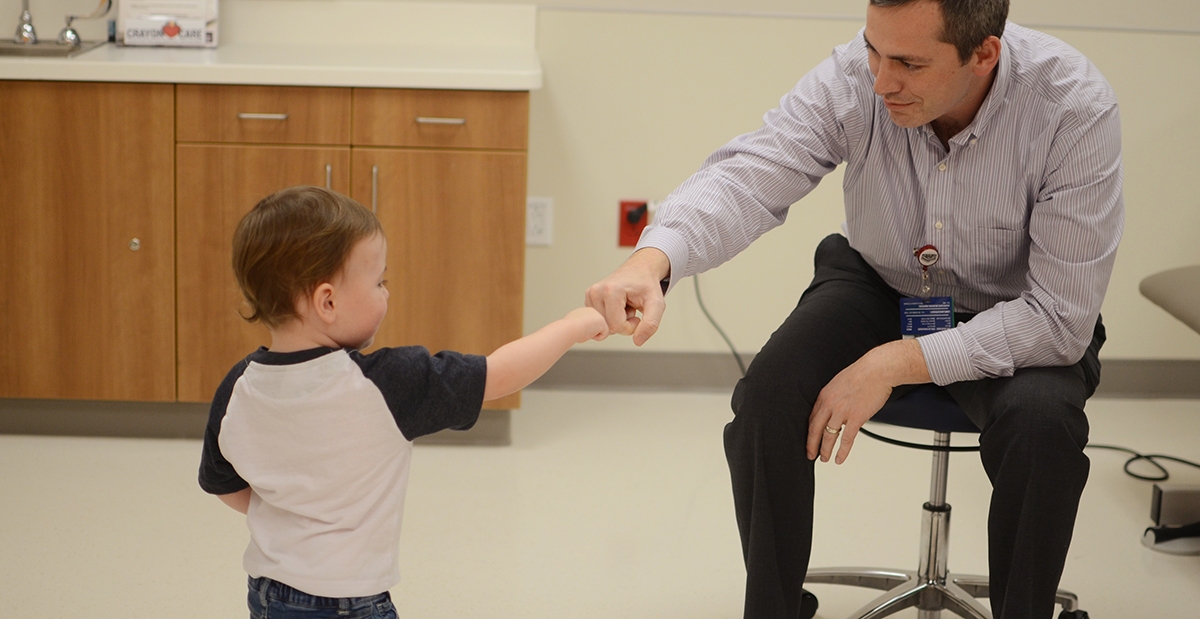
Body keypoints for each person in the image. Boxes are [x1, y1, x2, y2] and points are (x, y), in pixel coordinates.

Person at [585, 0, 1122, 618]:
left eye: (910, 64)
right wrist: (651, 260)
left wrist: (895, 363)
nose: (881, 81)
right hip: (880, 279)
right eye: (874, 50)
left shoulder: (1072, 107)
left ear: (983, 54)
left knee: (1043, 427)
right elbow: (753, 173)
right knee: (768, 395)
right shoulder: (856, 77)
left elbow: (1059, 318)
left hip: (1019, 310)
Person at [198, 186, 609, 619]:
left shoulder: (237, 387)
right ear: (328, 301)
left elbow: (224, 485)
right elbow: (498, 374)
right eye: (379, 282)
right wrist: (571, 327)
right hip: (349, 602)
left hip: (267, 593)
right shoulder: (386, 383)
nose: (386, 294)